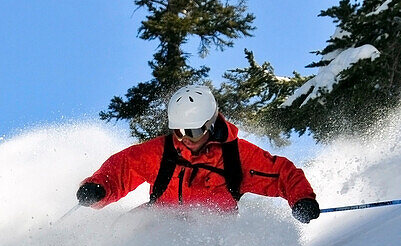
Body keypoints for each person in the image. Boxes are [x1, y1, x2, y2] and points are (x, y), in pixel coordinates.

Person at [76, 85, 320, 222]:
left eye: (192, 131)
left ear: (211, 124)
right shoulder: (163, 152)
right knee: (125, 228)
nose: (184, 139)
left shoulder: (236, 156)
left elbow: (281, 173)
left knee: (203, 236)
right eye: (179, 131)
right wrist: (98, 187)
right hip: (161, 223)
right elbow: (124, 167)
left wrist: (302, 199)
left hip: (211, 231)